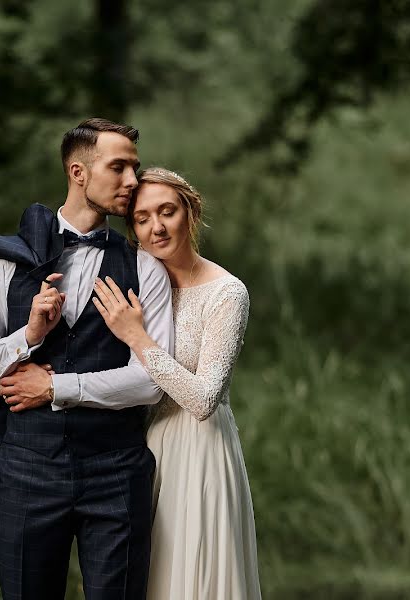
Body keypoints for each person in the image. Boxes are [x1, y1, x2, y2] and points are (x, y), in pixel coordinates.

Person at [0, 118, 174, 600]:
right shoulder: (5, 262)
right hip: (28, 473)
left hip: (118, 474)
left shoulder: (145, 266)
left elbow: (152, 381)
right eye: (118, 168)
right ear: (78, 172)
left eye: (134, 168)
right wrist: (28, 335)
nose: (132, 181)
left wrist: (55, 387)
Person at [91, 167, 262, 599]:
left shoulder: (226, 293)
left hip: (201, 447)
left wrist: (138, 337)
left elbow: (204, 398)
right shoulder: (143, 288)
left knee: (196, 573)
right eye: (143, 218)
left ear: (191, 212)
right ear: (132, 229)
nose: (157, 226)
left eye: (167, 211)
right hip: (146, 445)